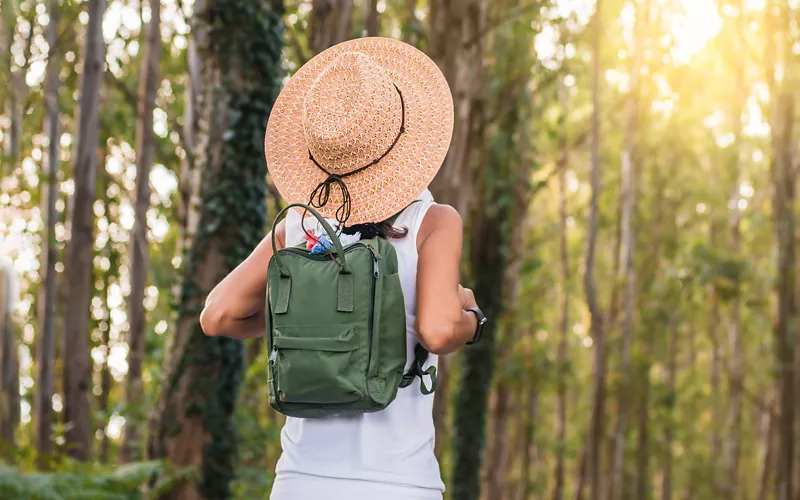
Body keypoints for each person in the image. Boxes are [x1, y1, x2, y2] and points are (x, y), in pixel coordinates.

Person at [199, 37, 485, 500]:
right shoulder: (432, 222)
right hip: (398, 483)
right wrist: (470, 318)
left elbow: (217, 315)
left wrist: (306, 320)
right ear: (403, 135)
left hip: (299, 480)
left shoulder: (301, 227)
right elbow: (437, 330)